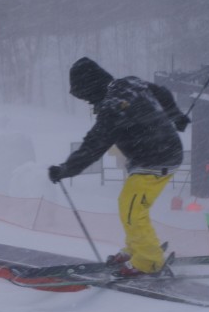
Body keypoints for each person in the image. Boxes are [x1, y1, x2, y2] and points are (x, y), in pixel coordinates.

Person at [48, 57, 190, 277]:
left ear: (92, 87)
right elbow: (161, 92)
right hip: (160, 154)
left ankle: (149, 261)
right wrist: (175, 115)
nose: (88, 102)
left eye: (86, 96)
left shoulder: (112, 108)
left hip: (155, 159)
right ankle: (136, 248)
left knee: (132, 209)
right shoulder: (129, 83)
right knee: (131, 205)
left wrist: (66, 169)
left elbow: (94, 145)